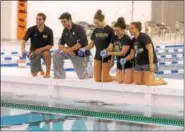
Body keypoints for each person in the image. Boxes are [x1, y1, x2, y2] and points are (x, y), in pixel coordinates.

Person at [78, 10, 114, 82]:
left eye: (97, 23)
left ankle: (117, 78)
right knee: (97, 79)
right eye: (94, 23)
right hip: (98, 55)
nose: (96, 25)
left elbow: (111, 47)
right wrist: (83, 49)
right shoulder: (95, 30)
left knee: (104, 79)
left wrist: (106, 51)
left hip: (107, 55)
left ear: (102, 20)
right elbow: (91, 45)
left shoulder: (110, 30)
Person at [53, 12, 91, 79]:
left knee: (82, 77)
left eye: (64, 21)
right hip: (71, 52)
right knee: (56, 53)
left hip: (81, 54)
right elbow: (61, 44)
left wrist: (68, 50)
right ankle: (59, 76)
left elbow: (79, 45)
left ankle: (91, 71)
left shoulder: (79, 29)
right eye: (61, 22)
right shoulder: (65, 30)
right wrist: (67, 51)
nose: (63, 23)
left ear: (70, 20)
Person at [129, 22, 167, 86]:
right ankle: (150, 78)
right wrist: (124, 59)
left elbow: (150, 50)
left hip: (148, 63)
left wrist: (151, 64)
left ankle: (161, 81)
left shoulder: (144, 37)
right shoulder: (133, 40)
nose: (130, 30)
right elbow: (132, 54)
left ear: (137, 28)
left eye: (132, 28)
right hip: (139, 63)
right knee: (137, 82)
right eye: (129, 29)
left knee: (148, 83)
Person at [21, 13, 54, 78]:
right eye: (37, 19)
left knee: (47, 53)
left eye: (40, 19)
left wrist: (41, 49)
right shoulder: (31, 29)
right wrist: (23, 49)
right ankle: (40, 69)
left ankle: (48, 72)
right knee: (34, 74)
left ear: (44, 20)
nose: (37, 21)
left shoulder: (49, 31)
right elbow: (23, 40)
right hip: (34, 51)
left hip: (44, 51)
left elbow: (50, 45)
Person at [105, 17, 135, 84]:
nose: (116, 32)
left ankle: (133, 75)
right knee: (119, 81)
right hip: (119, 62)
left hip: (128, 63)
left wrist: (109, 53)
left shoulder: (127, 39)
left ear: (123, 29)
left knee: (127, 82)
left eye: (118, 30)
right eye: (115, 30)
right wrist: (107, 52)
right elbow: (111, 48)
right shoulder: (114, 37)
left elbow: (123, 53)